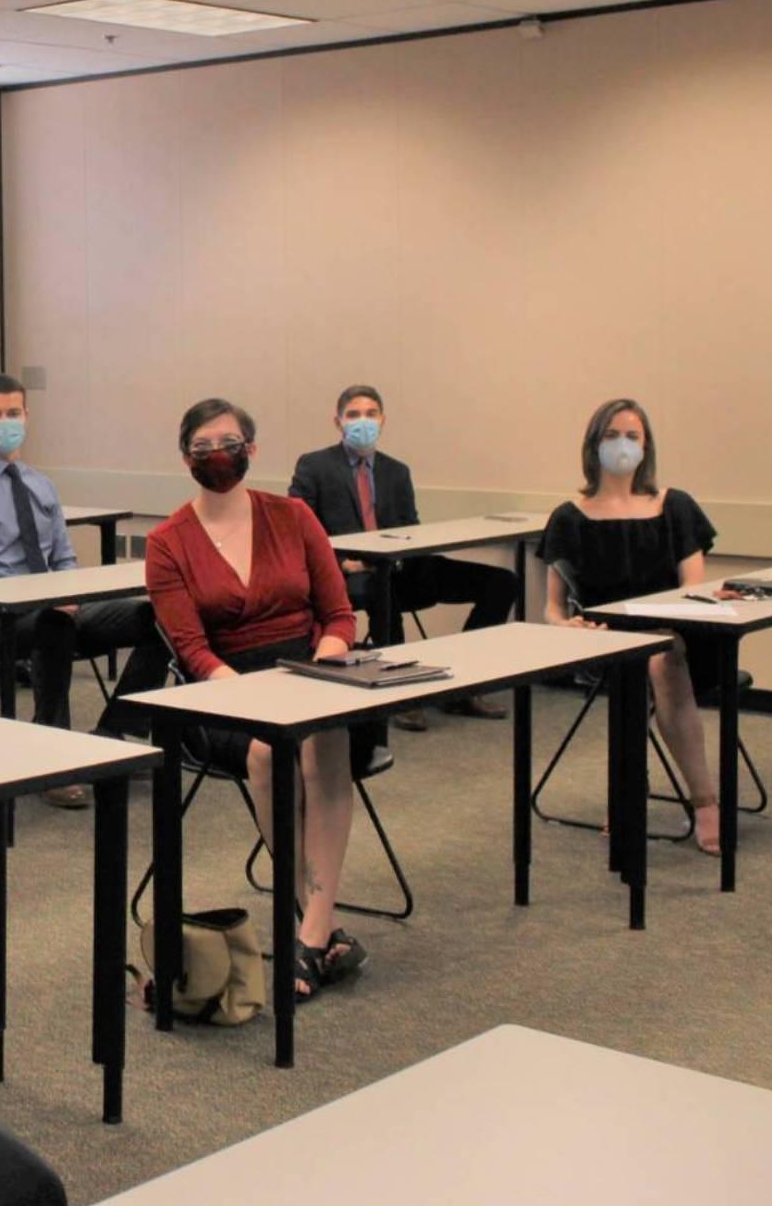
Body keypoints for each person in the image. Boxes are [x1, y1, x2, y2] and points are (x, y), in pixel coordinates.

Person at [144, 398, 368, 1001]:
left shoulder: (293, 516)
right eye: (204, 446)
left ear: (252, 449)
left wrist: (325, 658)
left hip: (309, 671)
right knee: (270, 752)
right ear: (185, 457)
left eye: (230, 442)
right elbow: (191, 649)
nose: (218, 454)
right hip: (223, 693)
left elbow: (338, 614)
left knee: (327, 734)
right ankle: (315, 920)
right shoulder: (167, 543)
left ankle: (313, 933)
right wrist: (247, 695)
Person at [0, 373, 148, 804]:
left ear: (26, 415)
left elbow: (64, 559)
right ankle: (52, 759)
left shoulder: (39, 484)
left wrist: (68, 593)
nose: (4, 422)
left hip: (54, 610)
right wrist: (40, 602)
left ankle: (116, 730)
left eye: (12, 413)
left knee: (155, 616)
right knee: (54, 625)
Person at [540, 398, 722, 855]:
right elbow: (552, 609)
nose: (622, 445)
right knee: (636, 664)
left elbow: (691, 590)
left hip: (677, 636)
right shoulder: (569, 516)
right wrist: (570, 629)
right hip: (607, 641)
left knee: (663, 659)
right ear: (593, 444)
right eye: (612, 436)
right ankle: (628, 795)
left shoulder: (675, 506)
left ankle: (705, 803)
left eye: (632, 436)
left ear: (646, 446)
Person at [290, 384, 512, 730]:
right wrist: (342, 563)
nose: (362, 421)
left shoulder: (397, 471)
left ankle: (466, 688)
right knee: (383, 590)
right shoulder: (315, 465)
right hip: (347, 576)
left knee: (500, 582)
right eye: (353, 414)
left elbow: (411, 528)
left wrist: (397, 558)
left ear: (383, 420)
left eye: (370, 414)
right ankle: (399, 695)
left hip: (400, 567)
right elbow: (299, 531)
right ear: (338, 422)